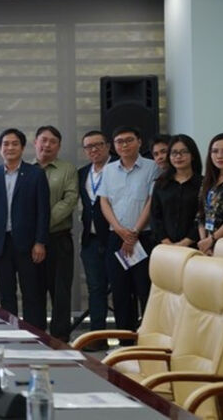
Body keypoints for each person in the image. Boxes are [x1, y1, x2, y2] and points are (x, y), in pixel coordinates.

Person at [0, 128, 49, 330]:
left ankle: (35, 334)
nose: (10, 147)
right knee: (6, 292)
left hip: (28, 244)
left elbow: (43, 211)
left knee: (32, 292)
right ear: (0, 148)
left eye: (14, 144)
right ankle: (10, 332)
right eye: (6, 144)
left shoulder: (36, 174)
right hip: (1, 244)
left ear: (22, 147)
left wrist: (40, 241)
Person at [97, 126, 158, 339]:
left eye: (129, 140)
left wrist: (133, 232)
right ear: (113, 146)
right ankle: (125, 341)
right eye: (119, 141)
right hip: (117, 237)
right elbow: (104, 202)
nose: (124, 144)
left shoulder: (152, 167)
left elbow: (151, 202)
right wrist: (120, 230)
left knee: (145, 289)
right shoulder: (109, 170)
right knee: (120, 290)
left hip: (143, 237)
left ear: (139, 142)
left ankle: (149, 339)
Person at [34, 125, 78, 342]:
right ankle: (36, 336)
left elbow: (69, 201)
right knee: (34, 291)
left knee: (60, 291)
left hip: (58, 238)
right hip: (31, 241)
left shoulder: (67, 169)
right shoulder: (27, 170)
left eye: (53, 141)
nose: (47, 145)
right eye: (43, 140)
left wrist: (41, 226)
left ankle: (60, 339)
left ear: (59, 146)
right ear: (35, 143)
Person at [77, 130, 113, 347]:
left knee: (122, 289)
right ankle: (97, 339)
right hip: (90, 240)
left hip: (115, 238)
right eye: (88, 146)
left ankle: (128, 340)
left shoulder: (118, 168)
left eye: (98, 145)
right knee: (95, 289)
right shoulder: (82, 173)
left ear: (107, 146)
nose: (93, 150)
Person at [151, 134, 202, 249]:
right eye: (174, 153)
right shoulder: (161, 183)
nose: (178, 156)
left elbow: (203, 217)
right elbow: (155, 216)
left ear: (193, 155)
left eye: (184, 152)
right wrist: (166, 242)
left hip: (194, 246)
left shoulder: (204, 184)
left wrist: (185, 242)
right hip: (164, 247)